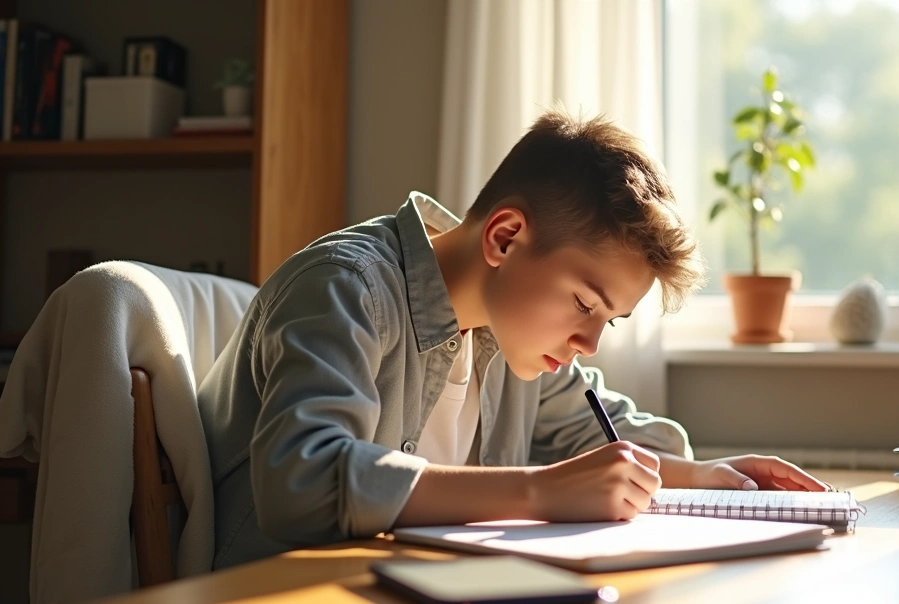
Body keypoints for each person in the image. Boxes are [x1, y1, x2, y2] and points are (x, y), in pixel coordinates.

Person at [198, 109, 829, 570]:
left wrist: (706, 476)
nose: (589, 342)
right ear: (505, 237)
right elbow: (301, 482)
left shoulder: (511, 332)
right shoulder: (346, 287)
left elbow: (608, 439)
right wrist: (540, 491)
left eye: (607, 320)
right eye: (585, 303)